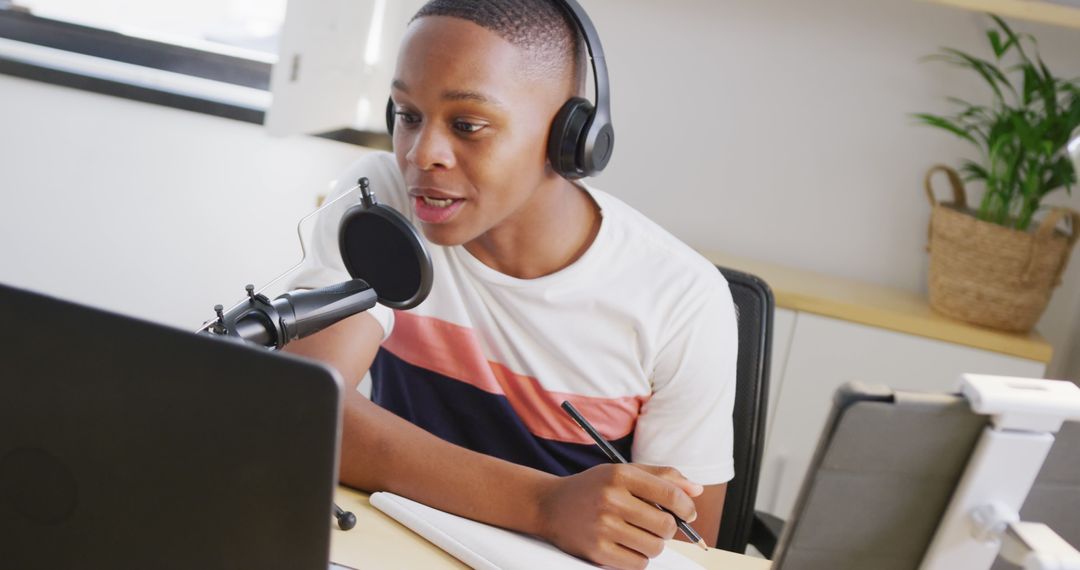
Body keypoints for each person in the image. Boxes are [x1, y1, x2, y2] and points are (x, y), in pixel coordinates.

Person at [285, 1, 738, 568]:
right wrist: (545, 503)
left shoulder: (682, 298)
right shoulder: (379, 202)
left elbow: (680, 546)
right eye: (407, 114)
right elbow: (304, 407)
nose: (422, 154)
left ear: (568, 139)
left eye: (467, 125)